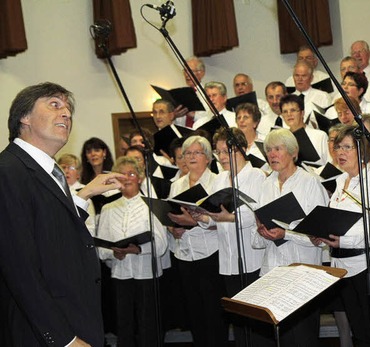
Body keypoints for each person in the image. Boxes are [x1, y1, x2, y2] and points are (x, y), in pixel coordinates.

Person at [0, 82, 123, 346]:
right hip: (44, 331)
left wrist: (83, 195)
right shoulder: (8, 171)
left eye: (67, 108)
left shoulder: (46, 171)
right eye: (55, 105)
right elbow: (19, 267)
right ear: (24, 117)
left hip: (73, 317)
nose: (66, 113)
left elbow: (50, 231)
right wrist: (63, 338)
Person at [316, 125, 370, 346]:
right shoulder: (340, 181)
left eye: (347, 147)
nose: (340, 152)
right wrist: (322, 234)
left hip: (367, 264)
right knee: (358, 330)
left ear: (362, 150)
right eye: (338, 147)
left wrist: (345, 240)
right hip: (342, 265)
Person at [253, 128, 329, 346]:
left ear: (294, 153)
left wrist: (287, 234)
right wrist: (262, 233)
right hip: (272, 270)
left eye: (278, 149)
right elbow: (255, 240)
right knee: (281, 337)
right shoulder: (265, 184)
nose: (272, 154)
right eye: (269, 150)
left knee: (303, 336)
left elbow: (320, 233)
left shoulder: (309, 182)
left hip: (302, 271)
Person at [192, 128, 266, 347]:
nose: (222, 157)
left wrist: (228, 217)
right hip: (228, 259)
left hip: (251, 257)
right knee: (239, 319)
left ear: (242, 149)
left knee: (257, 320)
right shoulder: (221, 178)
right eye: (219, 152)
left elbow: (256, 215)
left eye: (227, 151)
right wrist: (203, 217)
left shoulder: (257, 176)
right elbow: (216, 219)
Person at [97, 156, 168, 347]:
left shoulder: (152, 206)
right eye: (122, 175)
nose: (127, 178)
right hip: (121, 274)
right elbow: (100, 248)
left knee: (148, 324)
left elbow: (161, 245)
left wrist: (138, 249)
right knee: (124, 324)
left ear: (140, 178)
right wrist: (113, 253)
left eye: (131, 174)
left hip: (147, 274)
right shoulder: (108, 208)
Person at [166, 135, 227, 346]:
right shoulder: (177, 184)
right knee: (194, 314)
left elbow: (223, 220)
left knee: (213, 314)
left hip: (210, 254)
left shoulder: (216, 182)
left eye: (196, 153)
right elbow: (171, 214)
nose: (191, 157)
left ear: (208, 158)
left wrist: (193, 221)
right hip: (184, 254)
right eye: (187, 153)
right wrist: (173, 228)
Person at [279, 94, 329, 166]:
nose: (289, 114)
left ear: (302, 113)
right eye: (285, 112)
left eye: (293, 110)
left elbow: (329, 162)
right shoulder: (281, 139)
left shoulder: (320, 136)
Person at [174, 56, 211, 129]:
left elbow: (211, 116)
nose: (187, 75)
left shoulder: (208, 94)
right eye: (185, 71)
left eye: (190, 71)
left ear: (201, 73)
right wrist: (175, 115)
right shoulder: (181, 94)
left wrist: (193, 115)